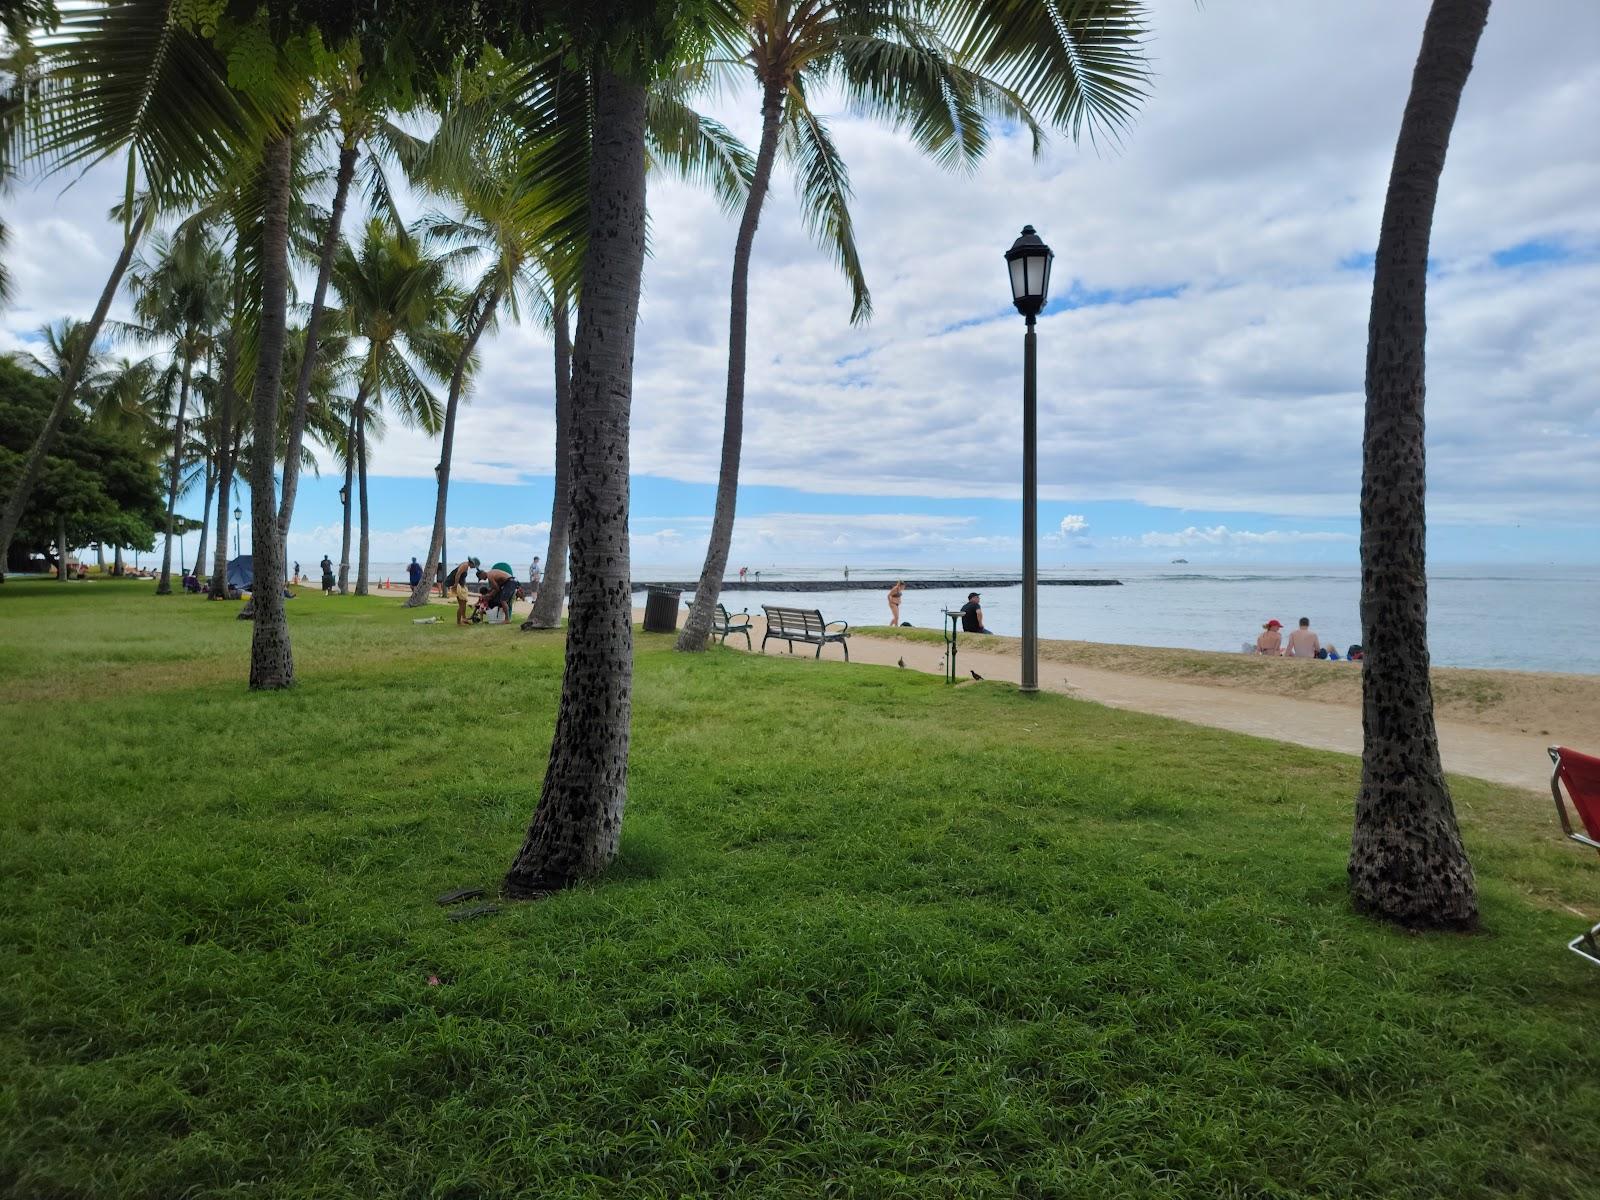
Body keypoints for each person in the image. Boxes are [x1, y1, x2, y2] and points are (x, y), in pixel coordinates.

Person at [446, 556, 480, 625]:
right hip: (456, 585)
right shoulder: (465, 565)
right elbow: (458, 574)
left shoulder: (466, 566)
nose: (474, 568)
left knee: (463, 602)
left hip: (460, 585)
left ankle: (463, 619)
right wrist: (455, 585)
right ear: (472, 563)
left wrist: (464, 585)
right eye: (475, 566)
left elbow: (462, 577)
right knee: (462, 603)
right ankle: (460, 621)